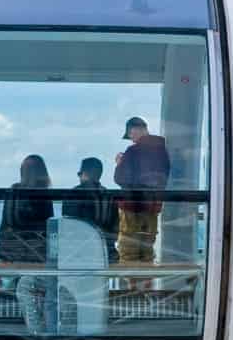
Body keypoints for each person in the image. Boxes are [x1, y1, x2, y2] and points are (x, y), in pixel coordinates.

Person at [0, 155, 56, 335]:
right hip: (38, 254)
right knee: (43, 287)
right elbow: (48, 226)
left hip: (13, 251)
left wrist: (4, 253)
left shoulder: (14, 191)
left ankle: (37, 330)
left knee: (26, 285)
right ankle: (46, 329)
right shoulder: (45, 194)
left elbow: (7, 223)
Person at [112, 116, 170, 283]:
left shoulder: (133, 151)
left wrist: (119, 163)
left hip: (132, 208)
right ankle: (147, 291)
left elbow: (121, 178)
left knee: (128, 252)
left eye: (130, 134)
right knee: (147, 253)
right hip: (152, 208)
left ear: (135, 130)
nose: (131, 138)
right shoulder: (162, 150)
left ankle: (131, 294)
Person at [62, 156, 117, 263]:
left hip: (79, 254)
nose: (79, 177)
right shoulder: (109, 195)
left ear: (85, 173)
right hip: (105, 253)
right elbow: (114, 228)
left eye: (79, 174)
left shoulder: (74, 194)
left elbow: (68, 228)